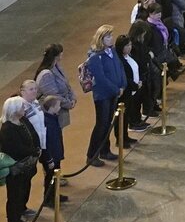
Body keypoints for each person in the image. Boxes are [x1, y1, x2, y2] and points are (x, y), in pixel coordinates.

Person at [85, 25, 126, 166]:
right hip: (103, 96)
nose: (111, 39)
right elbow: (101, 78)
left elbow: (120, 67)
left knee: (108, 123)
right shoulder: (95, 57)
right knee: (101, 125)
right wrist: (116, 89)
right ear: (101, 39)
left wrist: (123, 84)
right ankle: (91, 155)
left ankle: (105, 150)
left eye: (111, 36)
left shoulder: (112, 51)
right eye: (108, 36)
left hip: (114, 92)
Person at [1, 96, 40, 222]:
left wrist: (36, 147)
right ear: (14, 110)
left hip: (26, 166)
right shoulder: (7, 129)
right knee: (14, 198)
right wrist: (32, 151)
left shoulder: (22, 120)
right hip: (16, 169)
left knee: (23, 192)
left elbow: (33, 134)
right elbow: (15, 148)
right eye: (22, 107)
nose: (25, 109)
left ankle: (20, 218)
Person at [34, 43, 77, 131]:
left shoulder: (56, 67)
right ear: (57, 56)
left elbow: (66, 84)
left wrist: (73, 98)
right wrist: (68, 103)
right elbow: (53, 96)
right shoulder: (46, 75)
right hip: (50, 115)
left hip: (59, 111)